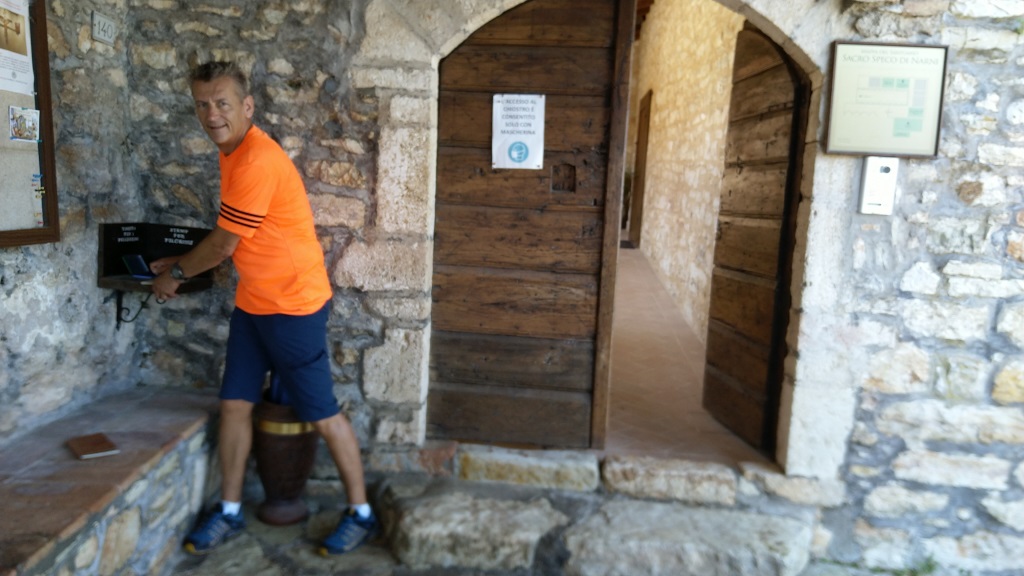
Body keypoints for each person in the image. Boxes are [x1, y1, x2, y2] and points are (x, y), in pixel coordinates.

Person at [149, 60, 378, 556]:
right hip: (254, 303)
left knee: (322, 413)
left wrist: (175, 275)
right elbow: (231, 235)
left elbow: (223, 245)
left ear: (247, 106)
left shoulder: (254, 159)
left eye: (222, 103)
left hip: (293, 306)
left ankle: (362, 513)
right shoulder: (231, 152)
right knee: (235, 404)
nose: (212, 114)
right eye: (202, 105)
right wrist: (181, 261)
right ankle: (230, 511)